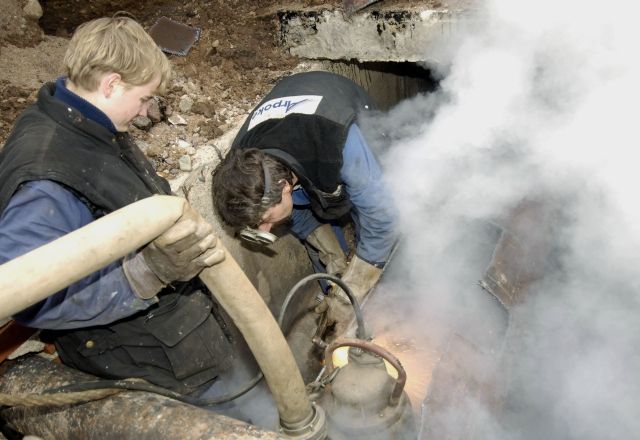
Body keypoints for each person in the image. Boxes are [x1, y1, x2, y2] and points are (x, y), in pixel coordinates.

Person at [0, 17, 232, 396]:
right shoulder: (46, 181)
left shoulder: (80, 119)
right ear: (111, 84)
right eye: (143, 98)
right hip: (137, 356)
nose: (145, 112)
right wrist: (144, 274)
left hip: (168, 334)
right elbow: (26, 295)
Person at [211, 71, 398, 331]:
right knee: (317, 217)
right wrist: (329, 251)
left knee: (376, 207)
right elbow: (294, 210)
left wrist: (352, 291)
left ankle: (393, 291)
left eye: (263, 221)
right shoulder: (244, 165)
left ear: (284, 184)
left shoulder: (338, 143)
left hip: (342, 116)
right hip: (298, 143)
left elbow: (382, 216)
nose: (265, 230)